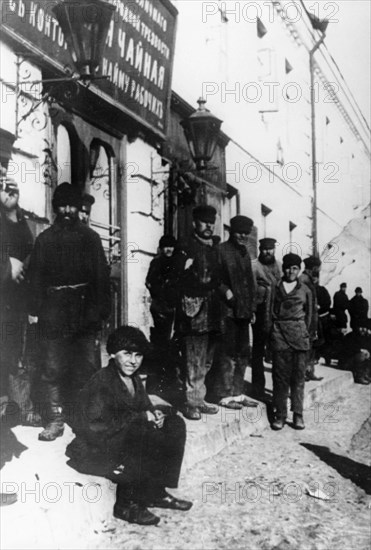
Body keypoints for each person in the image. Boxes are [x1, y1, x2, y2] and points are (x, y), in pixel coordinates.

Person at [66, 326, 192, 526]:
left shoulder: (132, 378)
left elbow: (143, 406)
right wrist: (141, 418)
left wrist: (155, 414)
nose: (133, 361)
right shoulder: (102, 382)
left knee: (174, 424)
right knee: (140, 430)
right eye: (127, 354)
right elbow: (94, 425)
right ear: (113, 353)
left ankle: (155, 492)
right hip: (97, 449)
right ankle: (126, 504)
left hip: (120, 441)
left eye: (138, 355)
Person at [27, 182, 111, 441]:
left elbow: (101, 277)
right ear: (55, 208)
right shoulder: (45, 239)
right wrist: (35, 310)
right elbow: (36, 278)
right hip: (54, 313)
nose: (66, 210)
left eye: (71, 205)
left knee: (87, 367)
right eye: (62, 205)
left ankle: (87, 417)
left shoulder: (91, 238)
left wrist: (100, 312)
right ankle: (55, 419)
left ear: (78, 208)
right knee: (52, 368)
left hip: (85, 311)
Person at [0, 176, 41, 426]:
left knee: (17, 352)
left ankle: (20, 406)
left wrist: (12, 209)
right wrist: (7, 268)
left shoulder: (17, 218)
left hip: (15, 300)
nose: (6, 188)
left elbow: (28, 249)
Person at [177, 205, 222, 420]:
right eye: (204, 222)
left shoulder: (215, 248)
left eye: (211, 222)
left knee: (207, 359)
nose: (208, 226)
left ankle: (199, 398)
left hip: (213, 310)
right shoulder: (185, 246)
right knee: (194, 358)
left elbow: (219, 279)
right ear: (195, 223)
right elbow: (177, 278)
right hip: (194, 310)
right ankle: (191, 403)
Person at [213, 215, 257, 409]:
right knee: (226, 353)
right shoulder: (221, 251)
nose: (242, 237)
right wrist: (226, 292)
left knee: (242, 353)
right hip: (227, 311)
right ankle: (224, 395)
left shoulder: (245, 254)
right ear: (231, 231)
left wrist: (252, 308)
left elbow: (250, 284)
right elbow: (213, 278)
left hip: (244, 312)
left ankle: (238, 393)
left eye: (246, 234)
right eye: (240, 233)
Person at [269, 253, 313, 430]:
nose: (291, 271)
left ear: (299, 269)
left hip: (299, 336)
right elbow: (269, 311)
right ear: (283, 268)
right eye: (288, 267)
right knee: (280, 378)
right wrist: (272, 333)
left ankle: (298, 414)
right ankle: (280, 414)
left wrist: (305, 333)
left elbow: (310, 316)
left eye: (295, 268)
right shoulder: (276, 287)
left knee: (298, 378)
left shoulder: (305, 290)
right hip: (279, 335)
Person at [251, 237, 281, 397]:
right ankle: (258, 388)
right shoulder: (254, 267)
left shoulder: (280, 267)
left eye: (270, 249)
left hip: (277, 315)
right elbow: (249, 291)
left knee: (278, 353)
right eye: (264, 249)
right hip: (260, 315)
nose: (267, 252)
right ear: (260, 249)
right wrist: (252, 311)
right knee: (257, 353)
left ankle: (279, 389)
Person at [338, 320, 371, 384]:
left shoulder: (366, 337)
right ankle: (359, 377)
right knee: (362, 355)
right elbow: (348, 349)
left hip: (355, 362)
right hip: (346, 362)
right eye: (361, 327)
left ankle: (366, 374)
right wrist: (361, 350)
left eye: (365, 328)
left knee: (367, 354)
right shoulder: (350, 336)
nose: (363, 329)